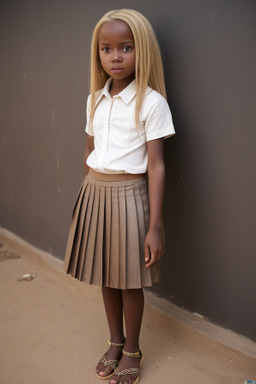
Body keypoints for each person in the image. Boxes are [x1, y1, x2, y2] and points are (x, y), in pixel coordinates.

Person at [64, 8, 175, 384]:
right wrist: (86, 199)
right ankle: (115, 340)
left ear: (141, 51)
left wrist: (154, 225)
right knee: (105, 277)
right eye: (106, 49)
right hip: (95, 192)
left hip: (130, 195)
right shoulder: (94, 99)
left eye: (126, 48)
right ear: (97, 54)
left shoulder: (152, 103)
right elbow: (88, 149)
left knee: (129, 280)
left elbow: (157, 165)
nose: (115, 56)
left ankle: (132, 349)